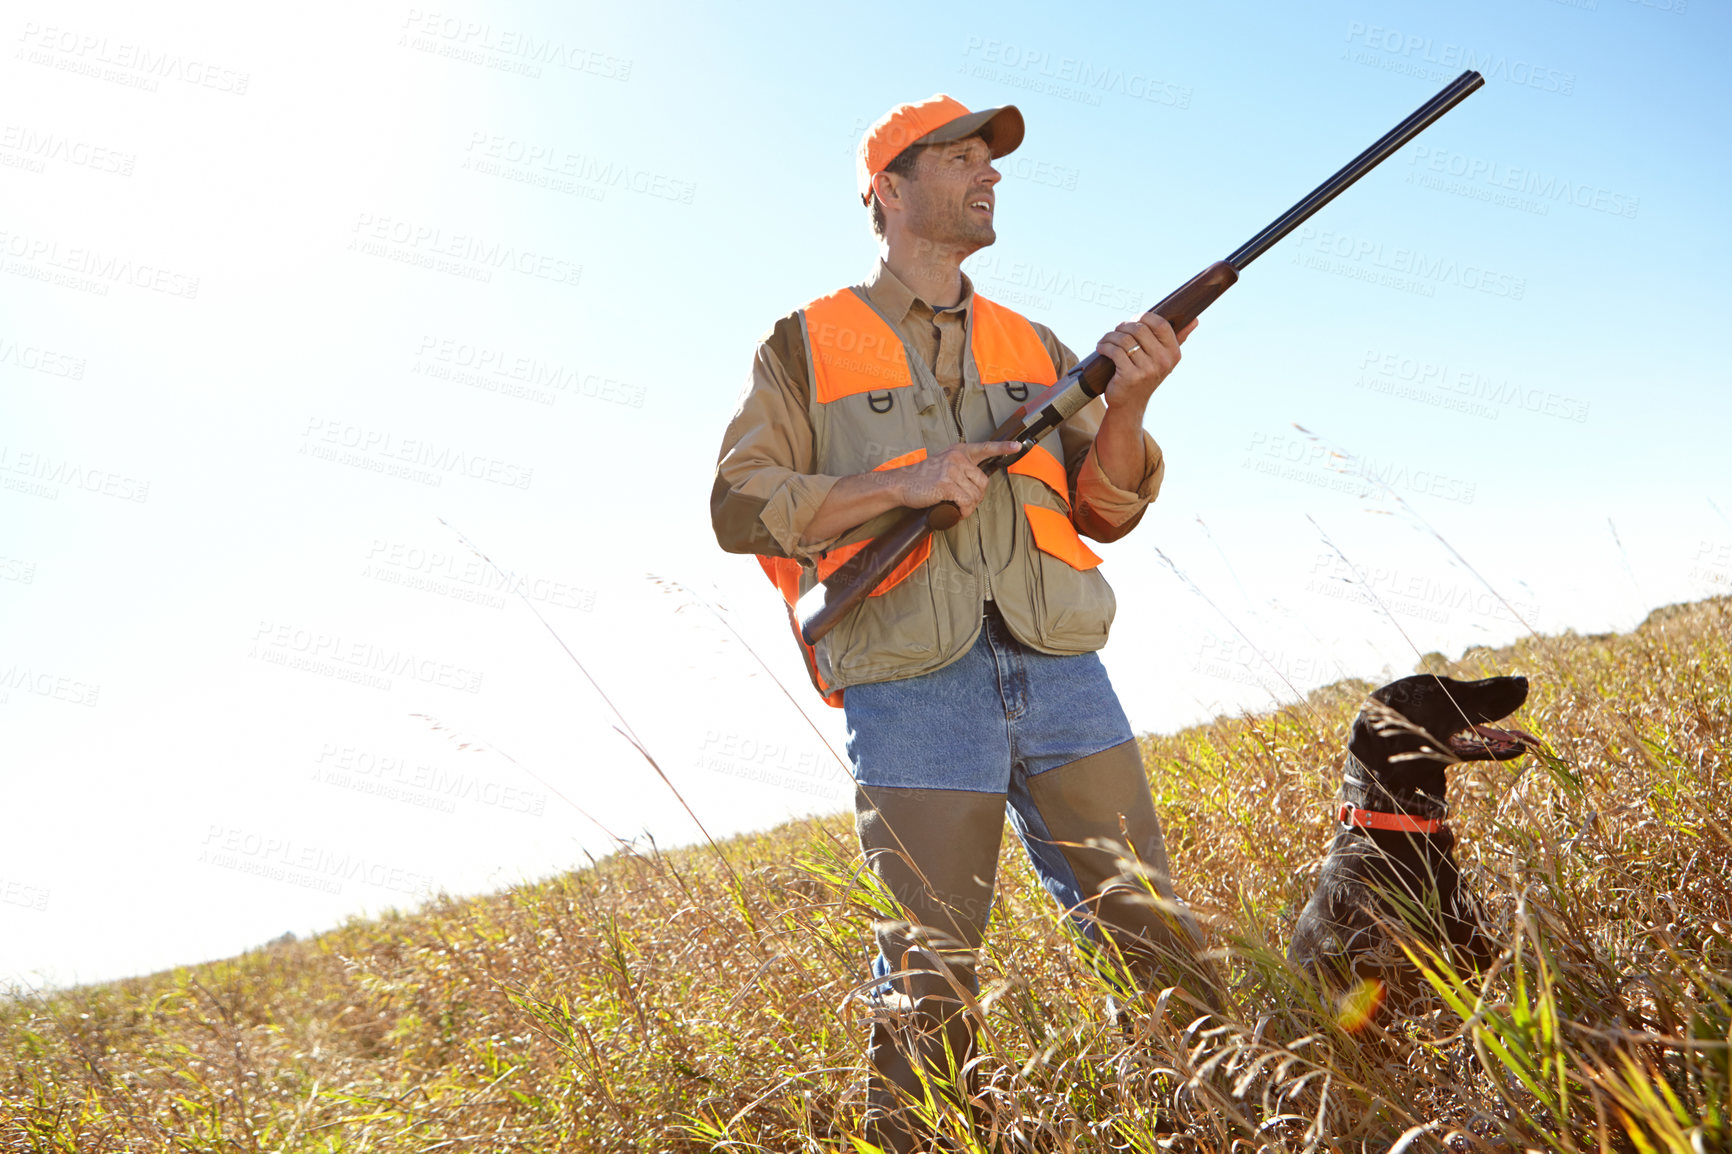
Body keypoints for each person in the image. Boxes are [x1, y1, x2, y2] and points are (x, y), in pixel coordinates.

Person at [711, 94, 1220, 1152]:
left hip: (1060, 664)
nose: (987, 174)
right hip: (912, 677)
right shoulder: (804, 343)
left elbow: (1106, 509)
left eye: (990, 160)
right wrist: (903, 482)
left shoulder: (1032, 341)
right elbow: (738, 502)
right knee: (928, 974)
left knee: (1153, 933)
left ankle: (1221, 1122)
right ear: (887, 191)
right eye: (957, 158)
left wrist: (1127, 404)